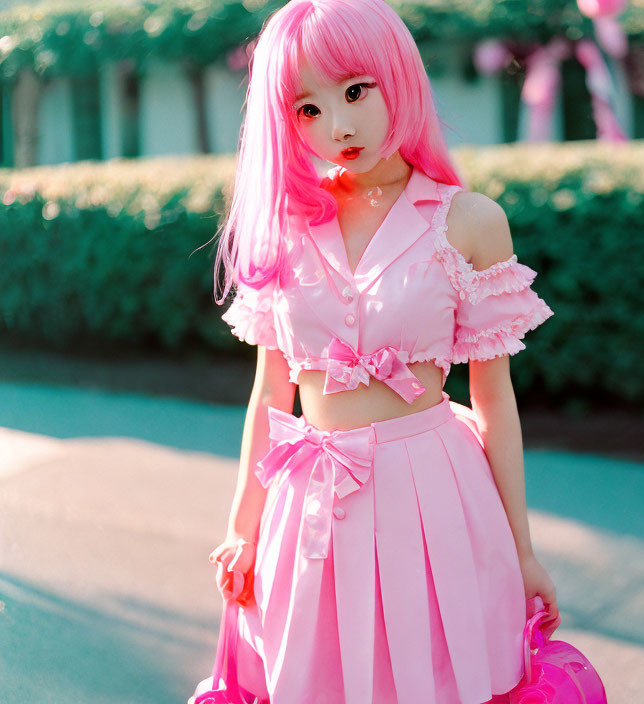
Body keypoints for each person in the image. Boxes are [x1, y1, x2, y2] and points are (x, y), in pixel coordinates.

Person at [193, 1, 557, 702]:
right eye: (307, 108)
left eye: (356, 90)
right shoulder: (286, 227)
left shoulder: (469, 222)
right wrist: (242, 527)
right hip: (311, 502)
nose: (340, 126)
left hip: (434, 492)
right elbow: (272, 393)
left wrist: (523, 550)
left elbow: (494, 398)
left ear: (398, 76)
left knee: (437, 678)